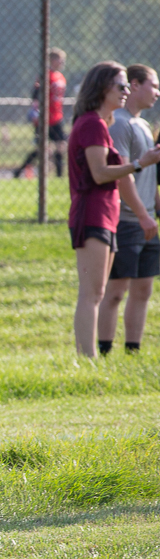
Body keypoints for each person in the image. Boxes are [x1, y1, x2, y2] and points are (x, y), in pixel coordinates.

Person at [68, 63, 160, 358]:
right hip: (93, 214)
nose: (125, 92)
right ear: (103, 87)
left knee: (97, 293)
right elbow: (99, 173)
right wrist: (138, 163)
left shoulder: (102, 124)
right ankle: (88, 358)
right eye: (120, 86)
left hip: (106, 215)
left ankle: (93, 357)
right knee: (92, 293)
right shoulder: (93, 124)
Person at [97, 65, 160, 355]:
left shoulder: (144, 125)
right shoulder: (119, 123)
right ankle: (105, 351)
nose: (157, 93)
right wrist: (143, 215)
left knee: (143, 289)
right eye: (153, 85)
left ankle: (132, 351)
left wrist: (153, 209)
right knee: (116, 291)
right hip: (127, 220)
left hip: (147, 219)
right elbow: (123, 175)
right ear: (134, 85)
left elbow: (149, 178)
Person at [14, 48, 68, 179]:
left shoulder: (60, 77)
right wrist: (37, 113)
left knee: (61, 145)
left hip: (57, 117)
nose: (62, 63)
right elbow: (35, 94)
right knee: (42, 149)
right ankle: (19, 171)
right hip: (44, 118)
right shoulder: (45, 75)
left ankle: (59, 176)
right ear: (52, 60)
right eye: (60, 60)